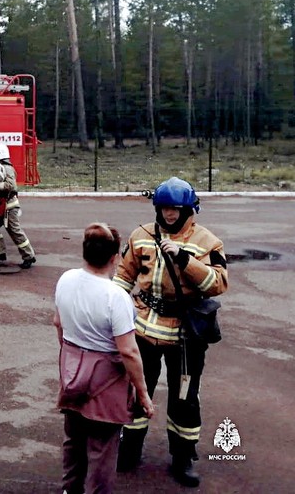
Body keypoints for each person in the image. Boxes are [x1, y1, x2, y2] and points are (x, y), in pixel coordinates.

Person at [114, 177, 228, 487]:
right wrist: (110, 313)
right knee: (137, 390)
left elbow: (218, 283)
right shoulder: (142, 236)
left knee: (185, 397)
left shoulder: (208, 242)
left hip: (185, 336)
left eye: (175, 210)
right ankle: (130, 448)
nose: (168, 215)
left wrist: (184, 259)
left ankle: (182, 456)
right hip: (144, 329)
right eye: (163, 209)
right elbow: (123, 278)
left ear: (189, 210)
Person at [54, 222, 154, 494]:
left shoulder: (66, 279)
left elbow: (58, 324)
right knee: (102, 449)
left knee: (73, 440)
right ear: (115, 258)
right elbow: (128, 351)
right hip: (106, 383)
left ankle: (69, 490)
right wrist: (143, 394)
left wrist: (71, 361)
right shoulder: (116, 297)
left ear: (85, 253)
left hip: (73, 373)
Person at [0, 143, 37, 269]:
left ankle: (29, 256)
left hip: (9, 206)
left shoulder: (7, 168)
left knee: (14, 230)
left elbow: (9, 186)